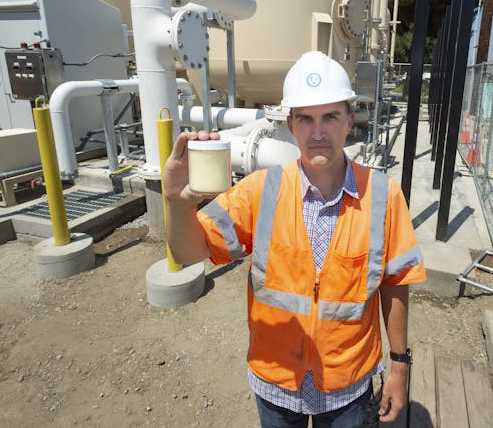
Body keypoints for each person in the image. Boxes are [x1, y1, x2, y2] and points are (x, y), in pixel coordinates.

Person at [164, 51, 426, 427]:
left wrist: (399, 367)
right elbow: (188, 253)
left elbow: (395, 283)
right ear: (290, 123)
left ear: (349, 120)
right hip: (276, 383)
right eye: (306, 118)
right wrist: (176, 201)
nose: (318, 133)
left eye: (330, 117)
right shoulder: (260, 190)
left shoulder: (383, 195)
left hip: (346, 387)